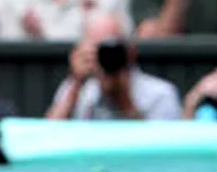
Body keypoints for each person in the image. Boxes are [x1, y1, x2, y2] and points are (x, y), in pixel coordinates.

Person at [47, 13, 181, 121]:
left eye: (113, 49)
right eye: (99, 51)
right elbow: (49, 140)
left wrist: (123, 99)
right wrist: (75, 84)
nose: (107, 57)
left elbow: (156, 149)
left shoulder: (160, 95)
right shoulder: (75, 91)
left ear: (130, 52)